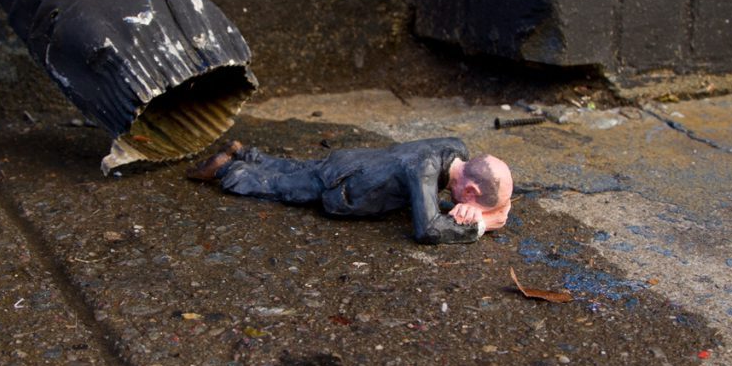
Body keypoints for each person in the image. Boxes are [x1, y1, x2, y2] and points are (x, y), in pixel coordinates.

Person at [187, 138, 513, 244]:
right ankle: (228, 170)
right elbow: (427, 229)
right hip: (346, 185)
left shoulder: (456, 148)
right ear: (469, 189)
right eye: (477, 203)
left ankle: (248, 153)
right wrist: (481, 224)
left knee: (298, 167)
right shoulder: (425, 170)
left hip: (355, 160)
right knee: (280, 186)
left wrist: (473, 206)